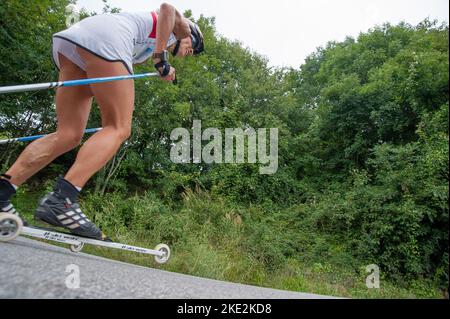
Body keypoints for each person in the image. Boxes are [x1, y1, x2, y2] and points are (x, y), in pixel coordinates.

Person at [0, 3, 204, 240]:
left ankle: (3, 193)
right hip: (106, 41)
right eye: (193, 49)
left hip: (76, 43)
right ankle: (62, 200)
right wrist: (161, 58)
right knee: (118, 127)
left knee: (68, 134)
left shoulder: (147, 46)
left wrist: (158, 61)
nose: (190, 53)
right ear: (192, 37)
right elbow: (167, 8)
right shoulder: (182, 29)